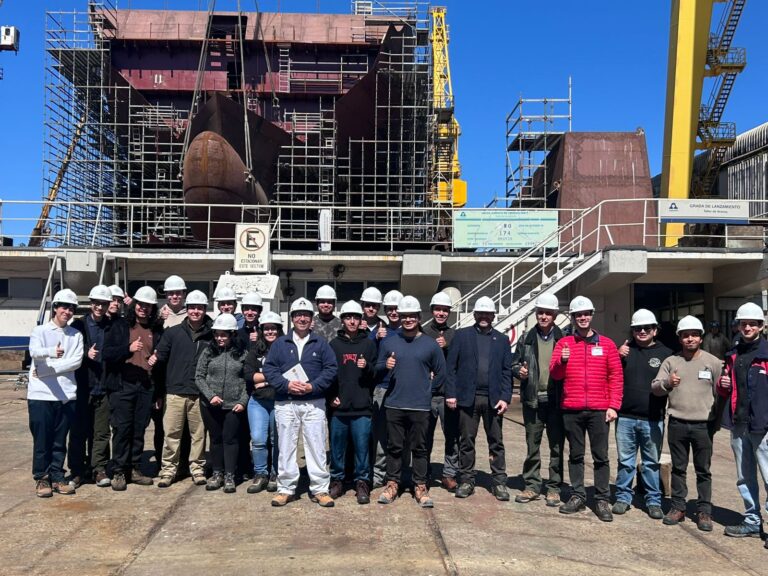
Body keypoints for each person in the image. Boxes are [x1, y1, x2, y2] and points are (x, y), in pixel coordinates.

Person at [550, 295, 623, 522]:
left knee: (601, 456)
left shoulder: (607, 344)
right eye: (578, 315)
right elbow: (555, 374)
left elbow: (616, 377)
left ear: (591, 316)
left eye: (586, 314)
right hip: (572, 408)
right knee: (575, 455)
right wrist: (561, 361)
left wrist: (613, 405)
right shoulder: (564, 344)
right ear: (572, 318)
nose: (582, 318)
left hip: (599, 410)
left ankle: (602, 499)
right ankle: (578, 495)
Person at [262, 297, 338, 507]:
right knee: (286, 446)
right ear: (292, 318)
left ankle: (320, 489)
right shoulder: (280, 343)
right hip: (286, 402)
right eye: (298, 315)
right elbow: (269, 369)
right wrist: (286, 385)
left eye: (306, 315)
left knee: (316, 445)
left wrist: (313, 386)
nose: (302, 319)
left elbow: (331, 369)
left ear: (311, 318)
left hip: (314, 402)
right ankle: (286, 489)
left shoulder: (320, 343)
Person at [652, 315, 721, 532]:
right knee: (678, 469)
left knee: (703, 470)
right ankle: (678, 507)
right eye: (685, 335)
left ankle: (704, 511)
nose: (689, 339)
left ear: (700, 338)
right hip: (677, 423)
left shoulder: (713, 362)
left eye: (693, 335)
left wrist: (716, 423)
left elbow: (722, 393)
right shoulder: (672, 362)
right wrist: (667, 383)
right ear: (679, 338)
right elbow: (655, 387)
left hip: (703, 425)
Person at [376, 296, 446, 508]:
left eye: (412, 316)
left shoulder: (430, 345)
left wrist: (427, 390)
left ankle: (420, 485)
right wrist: (385, 366)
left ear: (419, 317)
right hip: (394, 404)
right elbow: (376, 368)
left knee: (420, 448)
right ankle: (392, 483)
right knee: (394, 447)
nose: (408, 320)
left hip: (420, 406)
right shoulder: (389, 342)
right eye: (404, 316)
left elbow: (441, 374)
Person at [446, 296, 512, 502]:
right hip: (468, 398)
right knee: (466, 441)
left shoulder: (501, 340)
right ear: (474, 314)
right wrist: (451, 393)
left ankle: (499, 481)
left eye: (487, 313)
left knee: (496, 442)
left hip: (493, 400)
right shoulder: (462, 336)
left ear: (493, 316)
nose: (484, 317)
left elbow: (506, 371)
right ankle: (466, 479)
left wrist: (505, 397)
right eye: (480, 313)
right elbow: (451, 367)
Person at [612, 309, 672, 519]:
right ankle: (622, 497)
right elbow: (611, 376)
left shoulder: (667, 355)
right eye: (638, 328)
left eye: (647, 328)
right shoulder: (625, 351)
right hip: (625, 417)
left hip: (652, 419)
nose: (642, 331)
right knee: (625, 462)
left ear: (655, 330)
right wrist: (618, 356)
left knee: (650, 463)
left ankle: (654, 501)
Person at [148, 290, 212, 488]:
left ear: (204, 310)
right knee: (172, 434)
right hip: (174, 392)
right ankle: (168, 470)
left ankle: (197, 468)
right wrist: (154, 359)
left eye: (199, 308)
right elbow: (161, 359)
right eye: (192, 307)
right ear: (187, 309)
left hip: (199, 393)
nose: (195, 311)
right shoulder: (173, 333)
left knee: (198, 435)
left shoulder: (212, 334)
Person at [102, 286, 163, 491]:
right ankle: (119, 470)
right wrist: (127, 350)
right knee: (122, 429)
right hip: (123, 385)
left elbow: (160, 359)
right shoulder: (120, 325)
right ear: (134, 305)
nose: (144, 309)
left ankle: (134, 468)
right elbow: (107, 353)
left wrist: (157, 360)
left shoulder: (156, 330)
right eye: (141, 305)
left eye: (148, 306)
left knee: (139, 429)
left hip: (145, 385)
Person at [717, 302, 768, 542]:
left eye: (752, 323)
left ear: (761, 325)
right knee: (744, 477)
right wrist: (722, 385)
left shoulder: (766, 354)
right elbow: (725, 387)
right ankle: (752, 521)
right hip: (739, 424)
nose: (746, 327)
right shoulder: (733, 355)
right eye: (743, 323)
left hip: (763, 426)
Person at [27, 289, 83, 497]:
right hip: (41, 395)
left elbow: (76, 361)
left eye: (71, 308)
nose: (67, 311)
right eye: (64, 307)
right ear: (55, 308)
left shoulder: (75, 335)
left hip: (66, 395)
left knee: (60, 441)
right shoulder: (40, 331)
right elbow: (34, 352)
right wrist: (51, 353)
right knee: (42, 440)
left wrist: (45, 368)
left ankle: (58, 476)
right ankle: (42, 478)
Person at [511, 293, 565, 507]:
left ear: (555, 315)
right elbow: (514, 364)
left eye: (548, 313)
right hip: (533, 399)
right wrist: (519, 371)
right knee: (532, 445)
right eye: (540, 312)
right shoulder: (526, 338)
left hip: (556, 400)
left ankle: (553, 488)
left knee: (556, 447)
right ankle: (532, 485)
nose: (543, 316)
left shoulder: (564, 339)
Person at [328, 301, 377, 503]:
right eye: (348, 317)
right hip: (339, 408)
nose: (352, 321)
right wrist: (330, 397)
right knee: (337, 449)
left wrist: (366, 367)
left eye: (356, 318)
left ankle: (362, 482)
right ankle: (337, 481)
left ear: (361, 320)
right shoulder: (333, 345)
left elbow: (376, 374)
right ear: (342, 320)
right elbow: (328, 374)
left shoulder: (368, 344)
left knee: (362, 449)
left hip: (362, 407)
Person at [196, 314, 248, 493]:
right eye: (217, 334)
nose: (219, 338)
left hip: (233, 405)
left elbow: (246, 380)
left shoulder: (242, 353)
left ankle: (230, 475)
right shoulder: (208, 351)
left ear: (232, 334)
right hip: (211, 405)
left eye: (224, 335)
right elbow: (199, 376)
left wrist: (242, 401)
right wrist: (210, 396)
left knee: (231, 439)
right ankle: (217, 473)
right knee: (216, 439)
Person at [69, 285, 113, 488]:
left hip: (103, 386)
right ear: (91, 303)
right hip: (82, 387)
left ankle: (99, 469)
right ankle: (77, 471)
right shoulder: (78, 325)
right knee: (79, 431)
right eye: (96, 303)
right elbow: (70, 349)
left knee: (101, 432)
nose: (99, 307)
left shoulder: (111, 325)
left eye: (103, 303)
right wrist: (86, 353)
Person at [421, 292, 460, 492]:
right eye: (438, 309)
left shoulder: (455, 335)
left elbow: (460, 363)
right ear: (432, 310)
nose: (441, 313)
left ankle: (449, 474)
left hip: (447, 395)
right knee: (424, 436)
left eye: (445, 310)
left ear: (449, 312)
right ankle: (424, 473)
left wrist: (448, 346)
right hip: (427, 394)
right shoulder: (423, 332)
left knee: (452, 436)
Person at [243, 310, 283, 494]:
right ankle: (260, 474)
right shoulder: (254, 351)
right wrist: (273, 377)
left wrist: (264, 380)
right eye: (266, 329)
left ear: (279, 329)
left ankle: (275, 474)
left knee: (276, 440)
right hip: (257, 402)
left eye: (273, 328)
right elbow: (249, 375)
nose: (270, 332)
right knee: (258, 439)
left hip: (279, 401)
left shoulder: (286, 350)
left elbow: (289, 374)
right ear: (261, 330)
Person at [370, 289, 403, 488]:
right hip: (382, 388)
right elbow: (370, 362)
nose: (393, 312)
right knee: (380, 436)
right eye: (389, 309)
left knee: (401, 436)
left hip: (403, 389)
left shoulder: (412, 331)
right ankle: (378, 474)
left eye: (396, 309)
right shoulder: (380, 332)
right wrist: (375, 338)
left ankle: (398, 474)